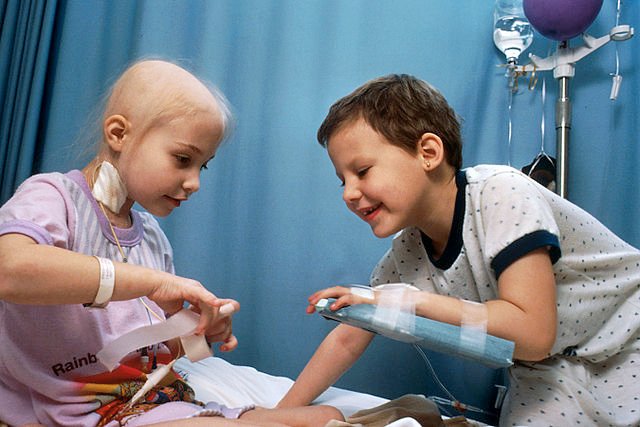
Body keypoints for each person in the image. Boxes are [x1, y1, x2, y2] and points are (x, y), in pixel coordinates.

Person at [277, 74, 640, 426]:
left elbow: (533, 334)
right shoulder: (406, 254)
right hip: (550, 369)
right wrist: (281, 414)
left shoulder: (503, 193)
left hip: (629, 335)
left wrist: (411, 301)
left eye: (362, 171)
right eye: (343, 181)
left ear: (429, 152)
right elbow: (349, 335)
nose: (348, 193)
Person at [0, 59, 342, 427]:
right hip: (89, 412)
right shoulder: (53, 197)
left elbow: (158, 355)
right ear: (118, 134)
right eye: (182, 159)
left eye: (202, 166)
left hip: (155, 401)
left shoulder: (150, 236)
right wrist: (153, 282)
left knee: (326, 417)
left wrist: (200, 333)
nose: (194, 181)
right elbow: (10, 271)